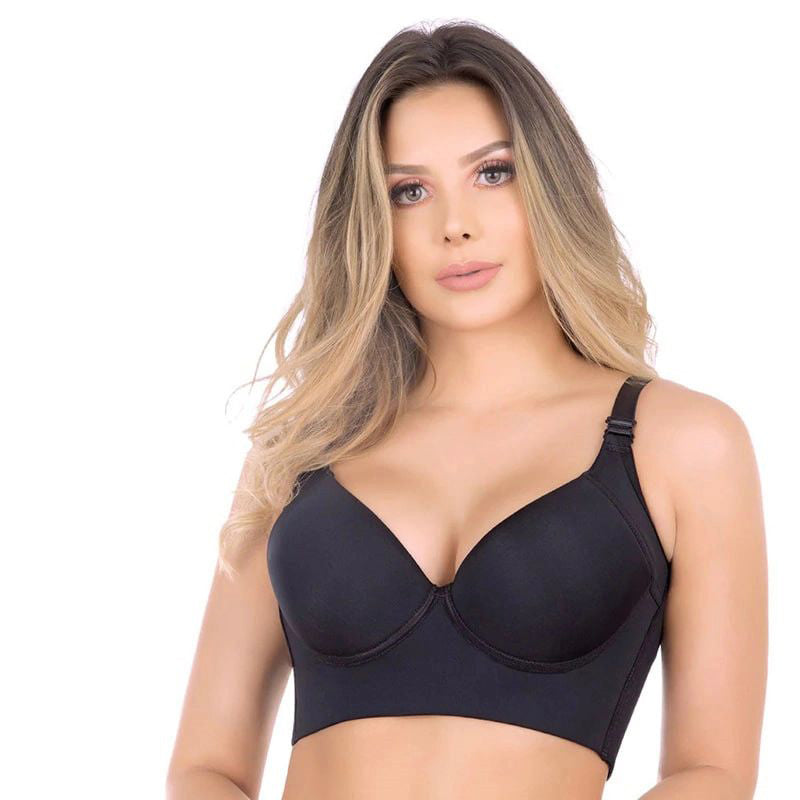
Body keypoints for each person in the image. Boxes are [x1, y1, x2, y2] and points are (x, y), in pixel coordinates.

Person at [165, 21, 767, 800]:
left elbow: (712, 772)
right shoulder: (299, 448)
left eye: (493, 173)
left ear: (552, 185)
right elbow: (204, 766)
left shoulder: (681, 443)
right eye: (409, 191)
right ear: (372, 220)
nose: (455, 225)